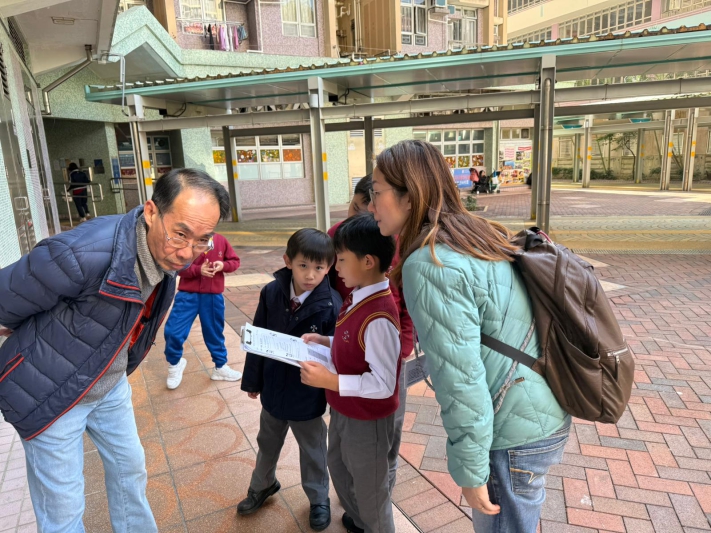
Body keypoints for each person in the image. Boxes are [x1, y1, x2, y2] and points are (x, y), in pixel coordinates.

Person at [0, 168, 229, 533]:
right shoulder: (81, 253)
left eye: (202, 240)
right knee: (63, 510)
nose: (187, 253)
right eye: (180, 234)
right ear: (151, 211)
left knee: (130, 470)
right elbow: (6, 298)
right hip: (50, 394)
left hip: (108, 383)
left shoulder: (164, 253)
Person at [368, 140, 571, 533]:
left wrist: (472, 471)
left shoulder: (431, 262)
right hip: (542, 406)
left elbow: (461, 380)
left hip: (509, 434)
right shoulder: (475, 234)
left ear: (409, 196)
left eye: (377, 193)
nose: (371, 206)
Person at [301, 213, 401, 533]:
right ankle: (359, 522)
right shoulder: (358, 295)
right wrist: (326, 341)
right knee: (340, 468)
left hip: (367, 420)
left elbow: (383, 384)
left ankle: (373, 526)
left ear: (368, 261)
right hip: (344, 407)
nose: (336, 267)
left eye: (341, 259)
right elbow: (354, 344)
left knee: (372, 493)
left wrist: (330, 380)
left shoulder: (379, 315)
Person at [239, 229, 342, 531]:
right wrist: (253, 381)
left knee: (313, 449)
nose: (310, 275)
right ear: (288, 261)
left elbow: (335, 353)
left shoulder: (331, 303)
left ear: (329, 267)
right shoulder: (271, 293)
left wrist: (331, 389)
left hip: (307, 394)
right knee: (267, 441)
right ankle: (262, 486)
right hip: (273, 387)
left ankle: (319, 499)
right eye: (303, 265)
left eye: (319, 267)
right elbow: (258, 337)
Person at [327, 175, 414, 492]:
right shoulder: (336, 236)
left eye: (365, 213)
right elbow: (324, 288)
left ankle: (378, 500)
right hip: (351, 347)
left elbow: (408, 300)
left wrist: (404, 343)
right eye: (353, 208)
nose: (353, 218)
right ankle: (360, 499)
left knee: (387, 432)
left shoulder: (397, 241)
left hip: (387, 344)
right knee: (346, 438)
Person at [164, 232, 243, 389]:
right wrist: (197, 270)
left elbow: (235, 262)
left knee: (214, 333)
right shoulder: (186, 240)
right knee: (173, 331)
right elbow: (176, 266)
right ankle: (175, 364)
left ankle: (220, 367)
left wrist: (223, 266)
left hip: (213, 297)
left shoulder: (221, 240)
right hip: (187, 296)